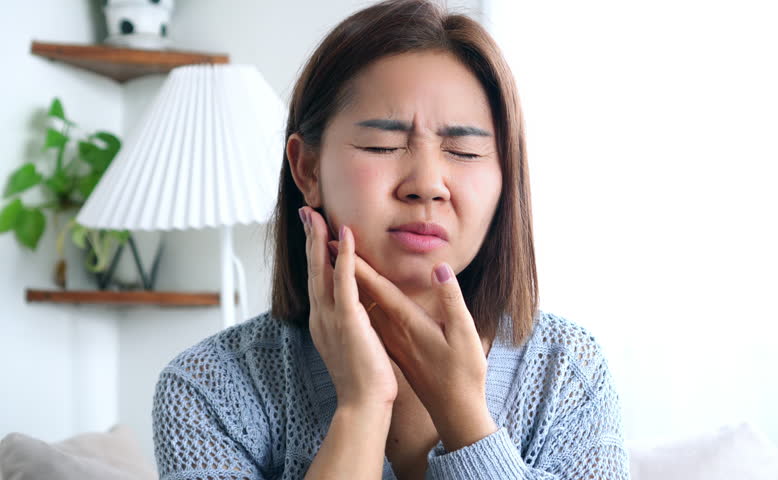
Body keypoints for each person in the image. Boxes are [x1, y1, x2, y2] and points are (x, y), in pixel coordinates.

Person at [151, 0, 630, 478]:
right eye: (383, 145)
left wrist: (463, 414)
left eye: (464, 151)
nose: (427, 183)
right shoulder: (208, 387)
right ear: (307, 168)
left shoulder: (567, 372)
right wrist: (362, 407)